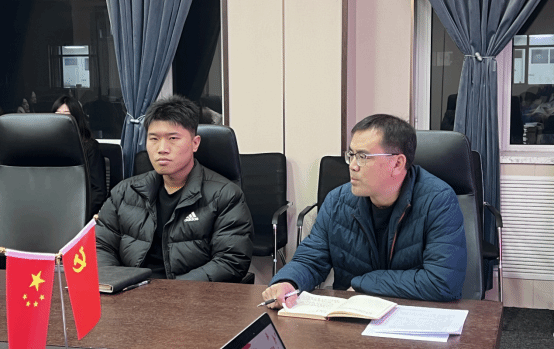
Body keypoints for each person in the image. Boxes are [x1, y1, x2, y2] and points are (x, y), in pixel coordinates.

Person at [263, 114, 467, 308]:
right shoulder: (337, 201)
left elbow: (442, 282)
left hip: (412, 316)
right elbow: (311, 259)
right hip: (352, 315)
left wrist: (365, 283)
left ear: (397, 163)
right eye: (351, 155)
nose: (352, 166)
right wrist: (288, 282)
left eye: (363, 156)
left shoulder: (438, 201)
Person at [95, 95, 254, 281]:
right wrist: (119, 282)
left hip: (192, 294)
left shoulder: (226, 195)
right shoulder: (124, 192)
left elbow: (230, 261)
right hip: (131, 290)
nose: (162, 148)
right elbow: (100, 246)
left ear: (195, 143)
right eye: (154, 138)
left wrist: (171, 292)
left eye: (173, 138)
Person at [52, 95, 107, 218]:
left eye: (67, 115)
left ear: (76, 118)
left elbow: (98, 192)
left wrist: (78, 214)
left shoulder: (90, 147)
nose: (61, 119)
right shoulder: (48, 146)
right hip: (52, 209)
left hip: (79, 212)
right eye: (57, 115)